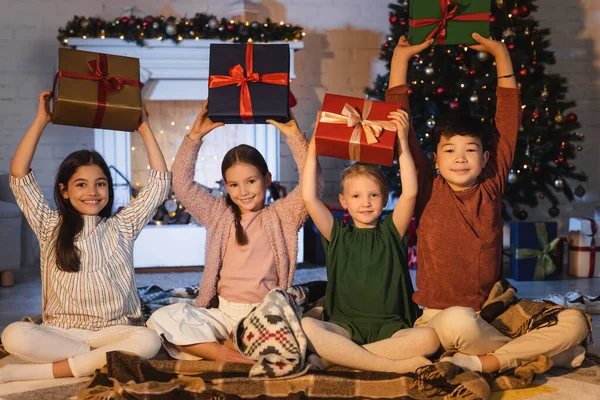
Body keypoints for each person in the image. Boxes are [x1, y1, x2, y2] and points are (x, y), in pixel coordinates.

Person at [387, 34, 589, 374]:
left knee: (576, 322)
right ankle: (538, 355)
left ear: (485, 160)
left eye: (470, 150)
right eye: (450, 150)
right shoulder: (426, 185)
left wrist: (501, 54)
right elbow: (399, 129)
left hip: (494, 314)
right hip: (444, 319)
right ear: (436, 160)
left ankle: (489, 362)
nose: (460, 158)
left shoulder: (491, 185)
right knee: (459, 323)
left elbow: (507, 122)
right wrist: (400, 62)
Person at [0, 91, 171, 383]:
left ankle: (47, 371)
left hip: (114, 329)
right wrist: (41, 120)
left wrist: (143, 127)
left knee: (148, 341)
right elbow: (19, 175)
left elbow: (159, 183)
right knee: (13, 335)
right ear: (65, 190)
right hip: (63, 331)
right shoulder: (49, 224)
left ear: (108, 188)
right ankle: (95, 358)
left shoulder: (122, 225)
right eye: (81, 184)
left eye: (100, 184)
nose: (92, 192)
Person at [147, 103, 321, 363]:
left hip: (265, 314)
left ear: (267, 178)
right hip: (223, 314)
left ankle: (231, 347)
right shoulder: (219, 214)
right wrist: (194, 137)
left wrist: (294, 137)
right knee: (160, 318)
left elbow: (313, 188)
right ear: (226, 186)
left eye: (251, 181)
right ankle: (226, 353)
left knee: (304, 333)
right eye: (234, 184)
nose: (244, 191)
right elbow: (182, 185)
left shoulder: (282, 216)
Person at [299, 108, 439, 374]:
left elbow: (410, 192)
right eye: (356, 197)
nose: (365, 202)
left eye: (373, 195)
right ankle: (388, 365)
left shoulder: (391, 231)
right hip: (344, 326)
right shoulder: (337, 234)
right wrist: (314, 146)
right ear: (343, 202)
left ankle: (338, 359)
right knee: (307, 326)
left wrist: (402, 143)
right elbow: (309, 199)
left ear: (385, 199)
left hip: (391, 328)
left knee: (429, 339)